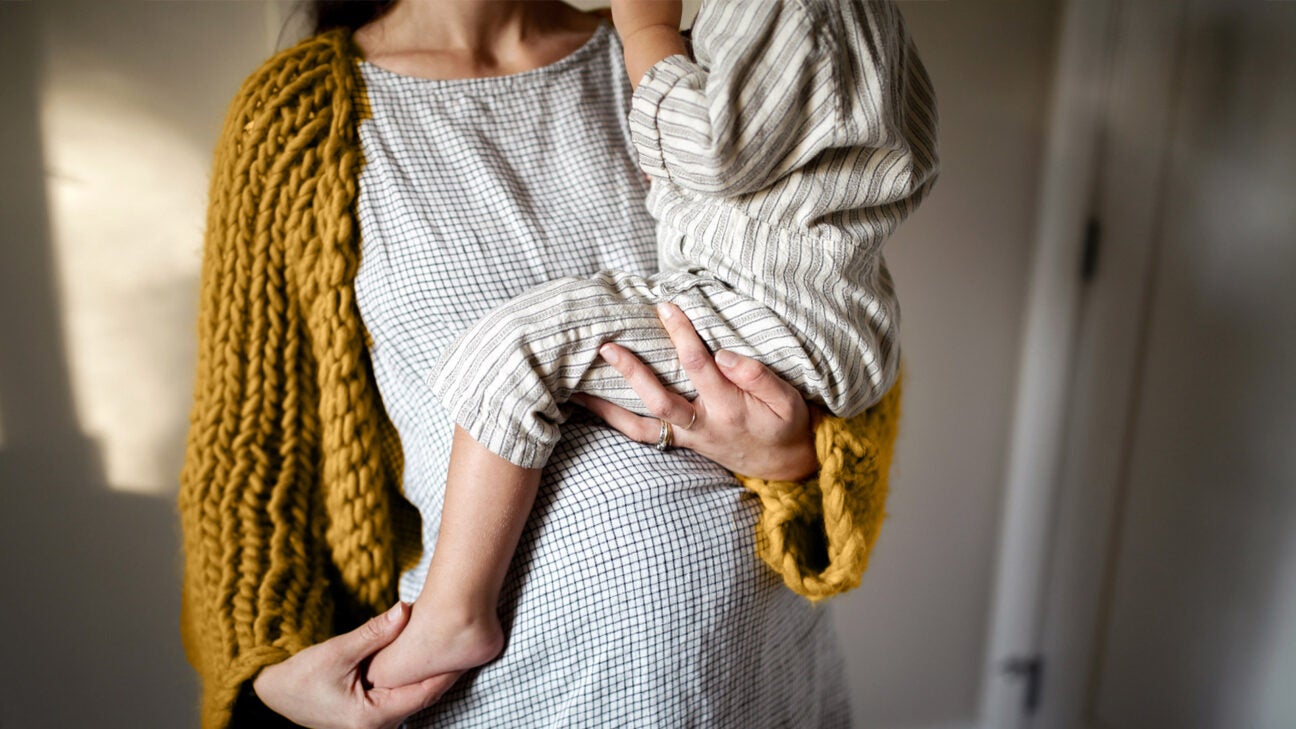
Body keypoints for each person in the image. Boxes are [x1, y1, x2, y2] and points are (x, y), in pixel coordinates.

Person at [177, 1, 907, 727]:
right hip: (517, 693)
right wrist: (268, 673)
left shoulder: (672, 68)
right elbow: (251, 451)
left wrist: (797, 452)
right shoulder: (299, 120)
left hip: (762, 678)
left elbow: (820, 305)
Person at [365, 0, 937, 690]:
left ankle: (454, 615)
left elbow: (711, 149)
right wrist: (271, 682)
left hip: (766, 329)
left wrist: (646, 33)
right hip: (817, 315)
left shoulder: (735, 26)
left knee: (514, 351)